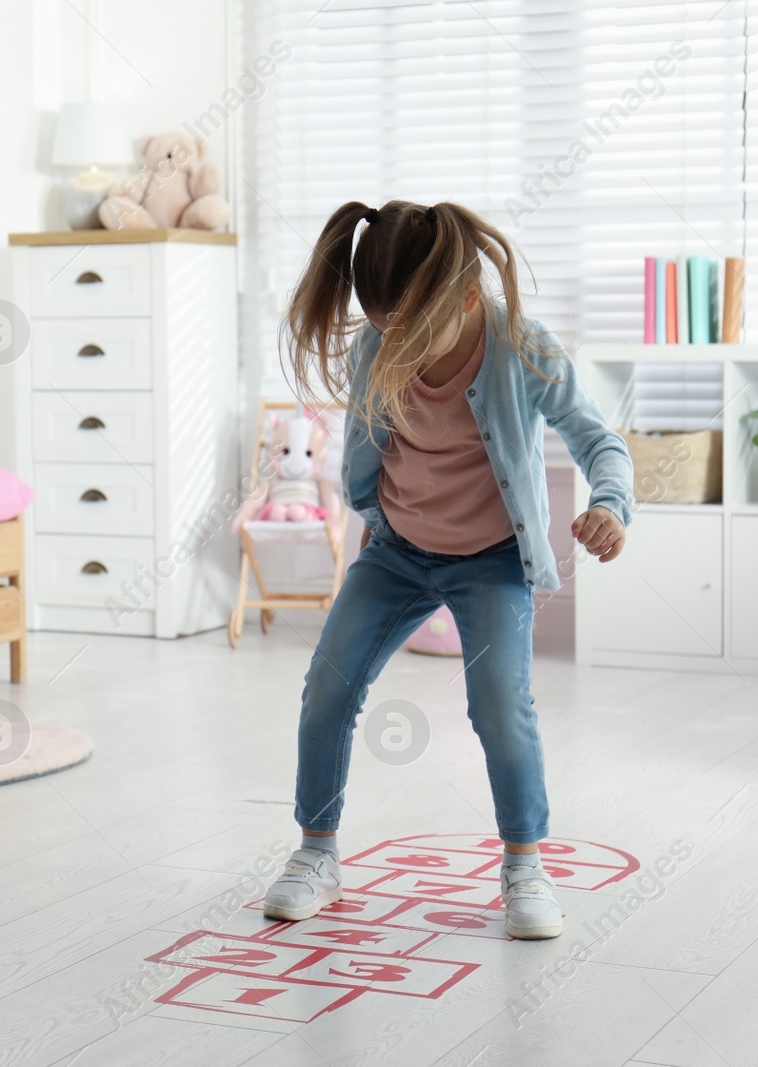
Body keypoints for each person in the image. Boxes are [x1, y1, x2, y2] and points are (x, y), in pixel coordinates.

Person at [261, 200, 634, 939]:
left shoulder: (522, 347)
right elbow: (371, 456)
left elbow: (599, 440)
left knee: (501, 706)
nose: (392, 347)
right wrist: (373, 530)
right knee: (327, 690)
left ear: (466, 300)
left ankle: (525, 865)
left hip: (491, 560)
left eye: (411, 331)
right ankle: (317, 853)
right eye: (384, 329)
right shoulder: (379, 343)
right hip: (395, 551)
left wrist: (612, 505)